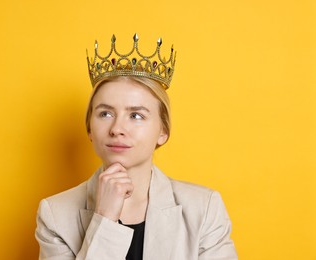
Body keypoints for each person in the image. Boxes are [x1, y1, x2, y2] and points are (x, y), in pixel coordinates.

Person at [35, 34, 238, 260]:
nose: (117, 128)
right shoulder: (55, 214)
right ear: (89, 129)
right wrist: (104, 218)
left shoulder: (204, 208)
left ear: (163, 131)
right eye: (105, 113)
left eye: (136, 115)